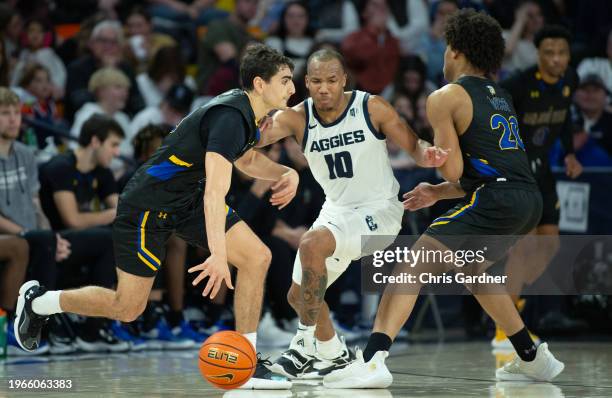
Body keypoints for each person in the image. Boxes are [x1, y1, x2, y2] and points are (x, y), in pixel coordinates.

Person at [15, 43, 297, 390]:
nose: (292, 88)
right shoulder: (229, 117)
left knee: (257, 257)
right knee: (128, 307)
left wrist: (286, 172)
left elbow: (247, 160)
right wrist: (219, 257)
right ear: (259, 84)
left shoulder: (247, 117)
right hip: (147, 206)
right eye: (285, 80)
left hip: (186, 199)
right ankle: (41, 301)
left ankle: (247, 361)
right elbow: (215, 192)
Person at [322, 9, 565, 388]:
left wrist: (439, 169)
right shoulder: (498, 95)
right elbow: (484, 172)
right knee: (473, 271)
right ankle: (533, 357)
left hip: (498, 197)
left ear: (455, 51)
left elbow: (453, 171)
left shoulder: (445, 97)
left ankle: (370, 359)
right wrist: (438, 193)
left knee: (411, 266)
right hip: (527, 198)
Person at [256, 48, 448, 379]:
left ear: (344, 79)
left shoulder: (370, 106)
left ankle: (302, 347)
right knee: (298, 295)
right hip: (338, 210)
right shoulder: (296, 118)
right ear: (306, 83)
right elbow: (249, 137)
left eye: (332, 80)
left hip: (381, 212)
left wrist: (427, 154)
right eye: (316, 81)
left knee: (311, 243)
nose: (324, 88)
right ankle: (333, 355)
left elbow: (413, 146)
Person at [494, 25, 583, 348]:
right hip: (516, 173)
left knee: (550, 246)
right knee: (525, 247)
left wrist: (570, 152)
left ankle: (508, 299)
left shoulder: (569, 80)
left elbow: (564, 119)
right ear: (538, 54)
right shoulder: (517, 84)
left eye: (562, 53)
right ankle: (504, 328)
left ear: (569, 56)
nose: (556, 59)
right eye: (549, 52)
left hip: (543, 170)